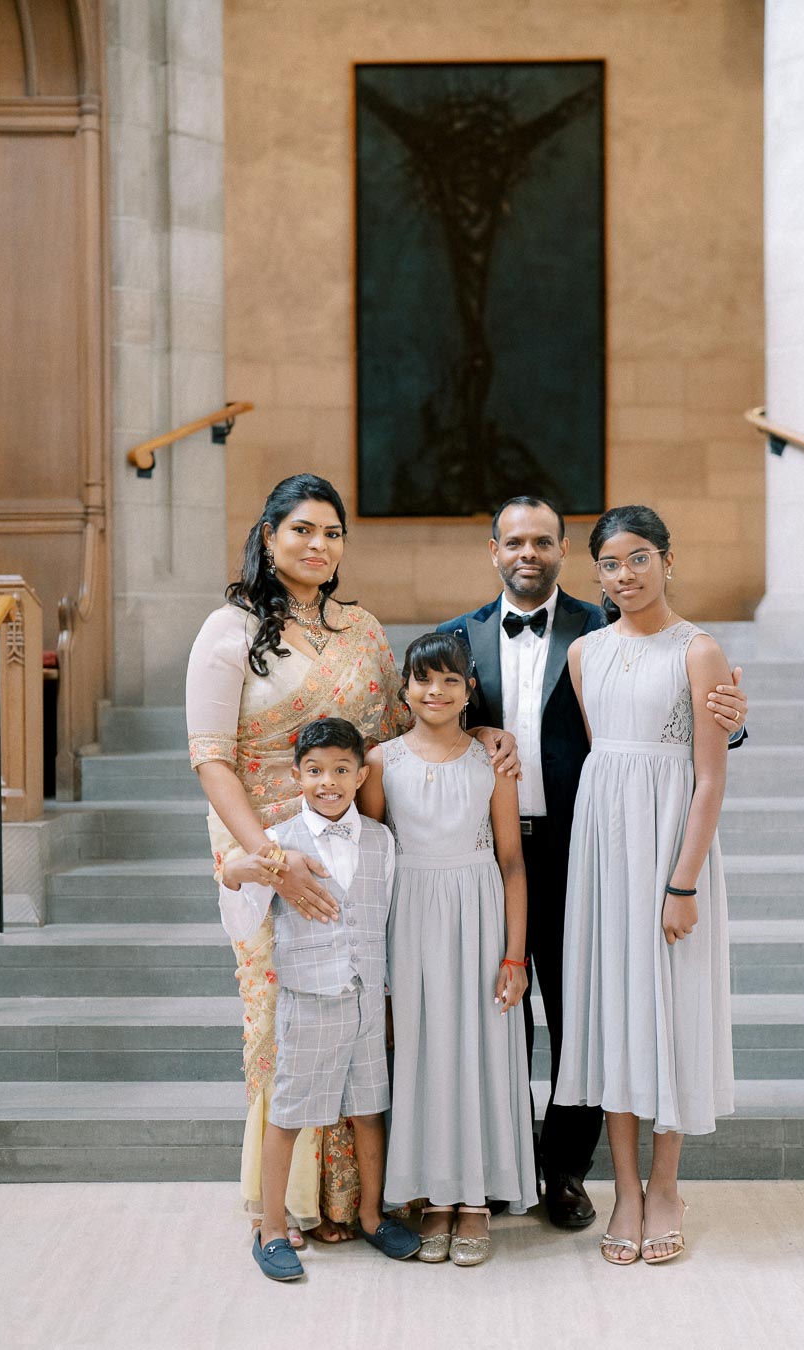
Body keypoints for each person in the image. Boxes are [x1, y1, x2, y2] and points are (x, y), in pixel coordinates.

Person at [186, 472, 519, 1239]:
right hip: (264, 843)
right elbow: (211, 759)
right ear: (269, 537)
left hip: (357, 842)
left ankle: (355, 1203)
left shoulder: (363, 630)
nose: (318, 544)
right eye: (302, 529)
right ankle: (288, 1203)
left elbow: (397, 738)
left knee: (363, 1008)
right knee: (284, 1016)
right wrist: (273, 858)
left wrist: (488, 735)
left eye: (332, 532)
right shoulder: (227, 630)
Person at [437, 495, 748, 1230]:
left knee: (587, 1012)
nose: (528, 553)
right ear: (493, 550)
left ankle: (567, 1174)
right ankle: (496, 1166)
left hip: (592, 846)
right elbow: (427, 718)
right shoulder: (457, 637)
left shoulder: (594, 627)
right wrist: (476, 729)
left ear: (560, 551)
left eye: (543, 541)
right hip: (496, 858)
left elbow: (673, 717)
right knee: (498, 1016)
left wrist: (733, 722)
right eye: (514, 541)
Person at [555, 505, 735, 1265]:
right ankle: (624, 1190)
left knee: (668, 1013)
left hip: (669, 852)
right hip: (605, 854)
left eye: (638, 559)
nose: (623, 575)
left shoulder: (699, 650)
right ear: (594, 571)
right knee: (616, 1016)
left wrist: (682, 883)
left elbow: (707, 778)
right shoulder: (584, 653)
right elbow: (606, 760)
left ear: (667, 560)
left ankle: (666, 1185)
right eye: (609, 563)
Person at [218, 717, 421, 1281]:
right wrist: (239, 870)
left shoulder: (382, 840)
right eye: (315, 771)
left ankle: (372, 1215)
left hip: (365, 998)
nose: (328, 782)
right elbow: (241, 912)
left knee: (368, 1109)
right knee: (289, 1113)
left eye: (340, 770)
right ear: (297, 776)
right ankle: (272, 1227)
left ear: (360, 775)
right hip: (308, 999)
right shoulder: (279, 841)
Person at [359, 633, 537, 1267]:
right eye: (422, 680)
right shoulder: (381, 762)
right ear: (405, 687)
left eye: (450, 682)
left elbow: (513, 862)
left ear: (468, 692)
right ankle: (434, 1194)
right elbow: (374, 858)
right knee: (424, 1050)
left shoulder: (490, 762)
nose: (435, 692)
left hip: (479, 910)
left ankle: (475, 1200)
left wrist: (515, 957)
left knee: (478, 1048)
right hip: (409, 912)